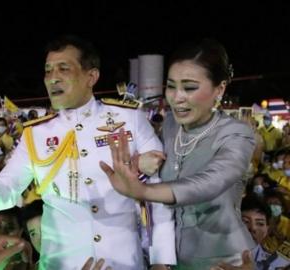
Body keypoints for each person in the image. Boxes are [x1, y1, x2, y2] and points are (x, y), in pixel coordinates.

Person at [0, 35, 176, 269]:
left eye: (63, 68)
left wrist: (162, 260)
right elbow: (7, 187)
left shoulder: (129, 119)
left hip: (124, 263)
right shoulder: (35, 134)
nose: (52, 78)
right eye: (48, 71)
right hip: (61, 264)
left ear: (91, 77)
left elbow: (159, 195)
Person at [101, 39, 255, 269]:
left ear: (219, 89)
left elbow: (210, 183)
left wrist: (143, 191)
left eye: (190, 87)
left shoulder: (237, 134)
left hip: (226, 260)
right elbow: (155, 173)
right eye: (171, 85)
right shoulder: (171, 125)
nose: (177, 97)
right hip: (175, 260)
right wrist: (137, 165)